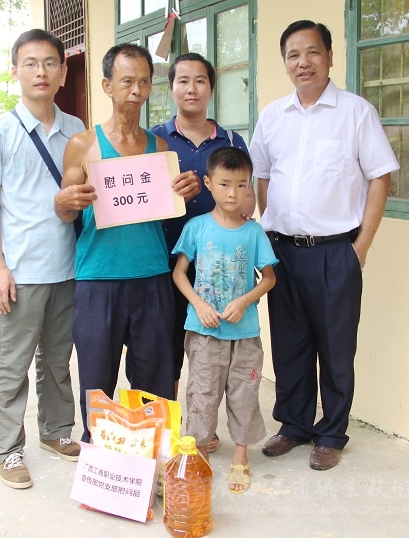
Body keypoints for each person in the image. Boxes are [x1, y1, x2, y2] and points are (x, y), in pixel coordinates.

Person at [249, 20, 399, 471]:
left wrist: (361, 246)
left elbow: (380, 177)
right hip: (283, 251)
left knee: (335, 347)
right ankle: (294, 425)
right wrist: (271, 231)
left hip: (336, 252)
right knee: (290, 343)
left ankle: (331, 433)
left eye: (312, 52)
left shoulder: (356, 113)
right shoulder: (272, 116)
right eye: (293, 55)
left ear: (330, 56)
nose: (303, 62)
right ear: (285, 62)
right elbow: (262, 176)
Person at [54, 43, 200, 441]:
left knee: (153, 380)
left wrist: (184, 192)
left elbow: (167, 208)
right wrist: (63, 202)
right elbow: (66, 212)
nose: (136, 90)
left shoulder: (160, 149)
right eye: (126, 81)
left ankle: (150, 458)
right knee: (97, 380)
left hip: (151, 275)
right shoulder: (83, 145)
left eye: (144, 82)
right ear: (107, 86)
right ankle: (100, 460)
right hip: (98, 278)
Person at [0, 29, 86, 490]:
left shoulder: (76, 129)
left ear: (63, 72)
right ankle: (7, 448)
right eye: (31, 63)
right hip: (21, 270)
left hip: (69, 266)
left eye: (50, 63)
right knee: (11, 364)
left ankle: (56, 431)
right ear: (15, 71)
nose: (41, 72)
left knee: (58, 359)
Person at [150, 52, 250, 453]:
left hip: (218, 269)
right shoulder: (154, 140)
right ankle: (173, 428)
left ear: (211, 87)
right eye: (183, 81)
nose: (191, 89)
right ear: (171, 87)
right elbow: (141, 201)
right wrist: (170, 193)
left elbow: (247, 201)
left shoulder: (232, 142)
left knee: (213, 350)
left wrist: (229, 200)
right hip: (165, 262)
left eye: (200, 81)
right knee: (167, 348)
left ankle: (202, 426)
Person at [172, 146, 277, 493]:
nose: (233, 193)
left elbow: (269, 278)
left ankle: (240, 457)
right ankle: (200, 456)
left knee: (244, 393)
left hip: (244, 332)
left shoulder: (254, 232)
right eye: (225, 184)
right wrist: (199, 304)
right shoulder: (196, 227)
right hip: (203, 330)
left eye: (241, 185)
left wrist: (245, 301)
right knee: (202, 394)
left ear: (249, 186)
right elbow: (179, 273)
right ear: (208, 183)